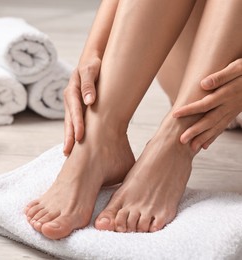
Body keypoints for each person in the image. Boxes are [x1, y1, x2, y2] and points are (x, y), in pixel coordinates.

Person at [24, 0, 242, 240]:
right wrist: (94, 52)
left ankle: (174, 144)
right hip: (204, 76)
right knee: (100, 124)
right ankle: (100, 138)